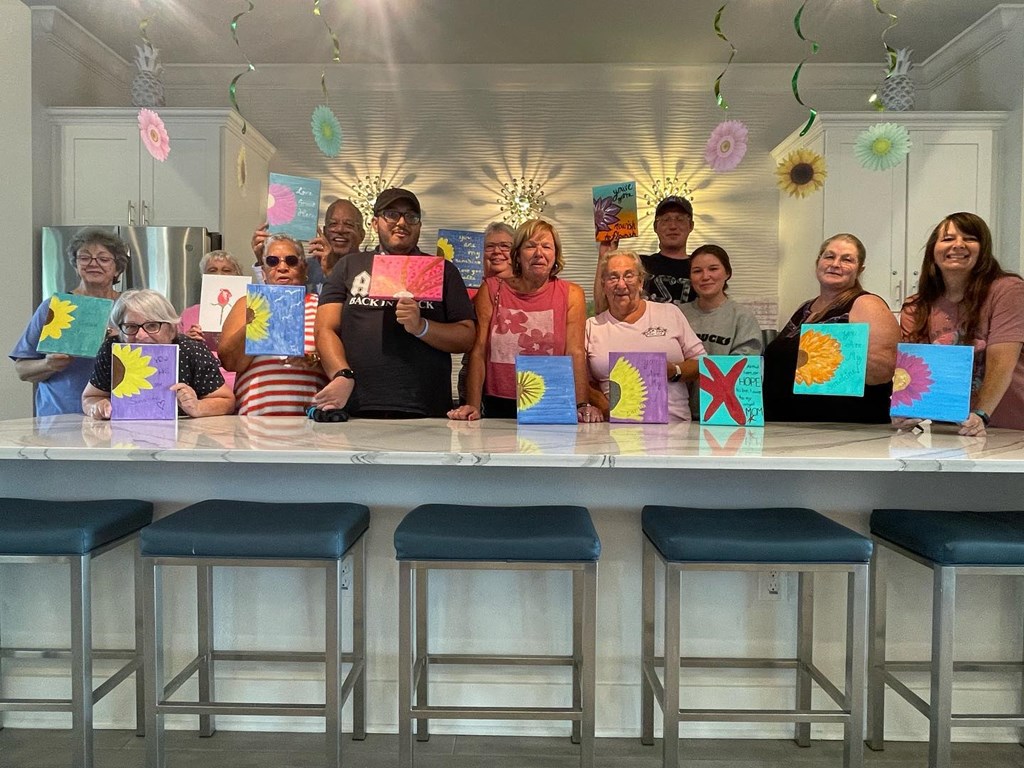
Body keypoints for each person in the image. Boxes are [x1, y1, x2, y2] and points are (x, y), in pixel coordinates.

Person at [313, 188, 476, 417]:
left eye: (411, 216)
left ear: (419, 225)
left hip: (428, 412)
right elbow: (324, 329)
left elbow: (466, 337)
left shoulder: (442, 271)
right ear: (374, 222)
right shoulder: (349, 266)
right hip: (356, 407)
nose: (401, 222)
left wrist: (422, 327)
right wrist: (342, 375)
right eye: (391, 214)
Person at [449, 219, 597, 422]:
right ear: (517, 254)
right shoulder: (492, 289)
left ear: (555, 255)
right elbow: (479, 350)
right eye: (530, 246)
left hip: (550, 401)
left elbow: (575, 352)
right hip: (497, 403)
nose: (539, 253)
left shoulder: (571, 294)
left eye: (546, 246)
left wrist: (582, 404)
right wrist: (473, 405)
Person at [898, 212, 1024, 434]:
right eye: (947, 239)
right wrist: (905, 409)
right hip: (948, 430)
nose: (958, 245)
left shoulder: (1008, 290)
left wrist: (981, 414)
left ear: (983, 249)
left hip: (1010, 427)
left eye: (970, 238)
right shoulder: (916, 306)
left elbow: (1001, 361)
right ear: (932, 251)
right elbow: (913, 368)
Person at [763, 233, 899, 423]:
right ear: (818, 262)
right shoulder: (805, 308)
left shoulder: (866, 304)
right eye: (829, 256)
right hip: (789, 425)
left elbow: (884, 370)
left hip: (842, 430)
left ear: (860, 269)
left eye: (847, 260)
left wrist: (828, 356)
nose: (835, 264)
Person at [10, 228, 128, 416]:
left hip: (118, 413)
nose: (93, 264)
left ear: (118, 268)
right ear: (76, 265)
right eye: (84, 257)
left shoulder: (131, 308)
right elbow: (22, 369)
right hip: (60, 416)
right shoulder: (55, 307)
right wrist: (49, 365)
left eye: (103, 259)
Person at [586, 250, 705, 421]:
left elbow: (703, 363)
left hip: (674, 424)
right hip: (616, 429)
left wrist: (675, 371)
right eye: (613, 277)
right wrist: (608, 409)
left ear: (641, 281)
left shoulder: (670, 313)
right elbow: (583, 382)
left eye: (629, 276)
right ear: (603, 284)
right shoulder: (592, 326)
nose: (621, 284)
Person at [83, 289, 235, 420]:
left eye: (152, 325)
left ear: (171, 330)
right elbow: (89, 397)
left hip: (184, 438)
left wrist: (198, 407)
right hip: (121, 436)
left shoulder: (192, 350)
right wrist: (97, 406)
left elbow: (226, 401)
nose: (140, 335)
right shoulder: (111, 349)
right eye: (130, 327)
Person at [219, 234, 327, 416]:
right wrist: (255, 323)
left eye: (291, 261)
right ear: (263, 271)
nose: (282, 267)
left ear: (304, 268)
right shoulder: (246, 304)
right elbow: (230, 362)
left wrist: (311, 360)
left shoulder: (320, 306)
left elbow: (342, 364)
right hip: (253, 423)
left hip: (311, 421)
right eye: (273, 261)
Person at [456, 222, 517, 403]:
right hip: (474, 371)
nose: (497, 251)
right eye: (490, 246)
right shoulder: (465, 288)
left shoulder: (525, 290)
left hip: (511, 374)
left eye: (504, 246)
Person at [251, 198, 366, 292]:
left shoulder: (369, 268)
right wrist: (265, 262)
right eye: (333, 224)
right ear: (324, 232)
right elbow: (275, 298)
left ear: (362, 234)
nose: (340, 229)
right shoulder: (301, 266)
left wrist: (331, 272)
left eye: (349, 225)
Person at [177, 250, 245, 390]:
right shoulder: (189, 314)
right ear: (204, 276)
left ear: (237, 276)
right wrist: (188, 342)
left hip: (238, 379)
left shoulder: (248, 311)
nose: (219, 275)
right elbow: (176, 356)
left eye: (226, 270)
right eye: (212, 270)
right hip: (203, 385)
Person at [680, 244, 763, 356]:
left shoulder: (742, 317)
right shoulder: (678, 314)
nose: (705, 277)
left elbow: (744, 366)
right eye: (697, 271)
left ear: (727, 273)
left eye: (713, 269)